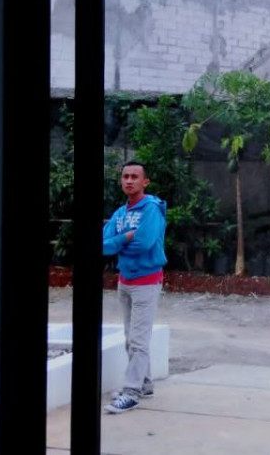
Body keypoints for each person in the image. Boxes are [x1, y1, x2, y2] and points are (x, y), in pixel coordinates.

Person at [102, 161, 167, 414]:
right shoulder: (121, 212)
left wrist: (119, 244)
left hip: (146, 283)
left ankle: (131, 392)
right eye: (125, 176)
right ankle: (145, 384)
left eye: (134, 177)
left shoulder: (151, 209)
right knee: (131, 337)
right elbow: (102, 244)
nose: (129, 181)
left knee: (138, 340)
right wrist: (125, 237)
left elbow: (144, 243)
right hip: (125, 281)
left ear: (145, 182)